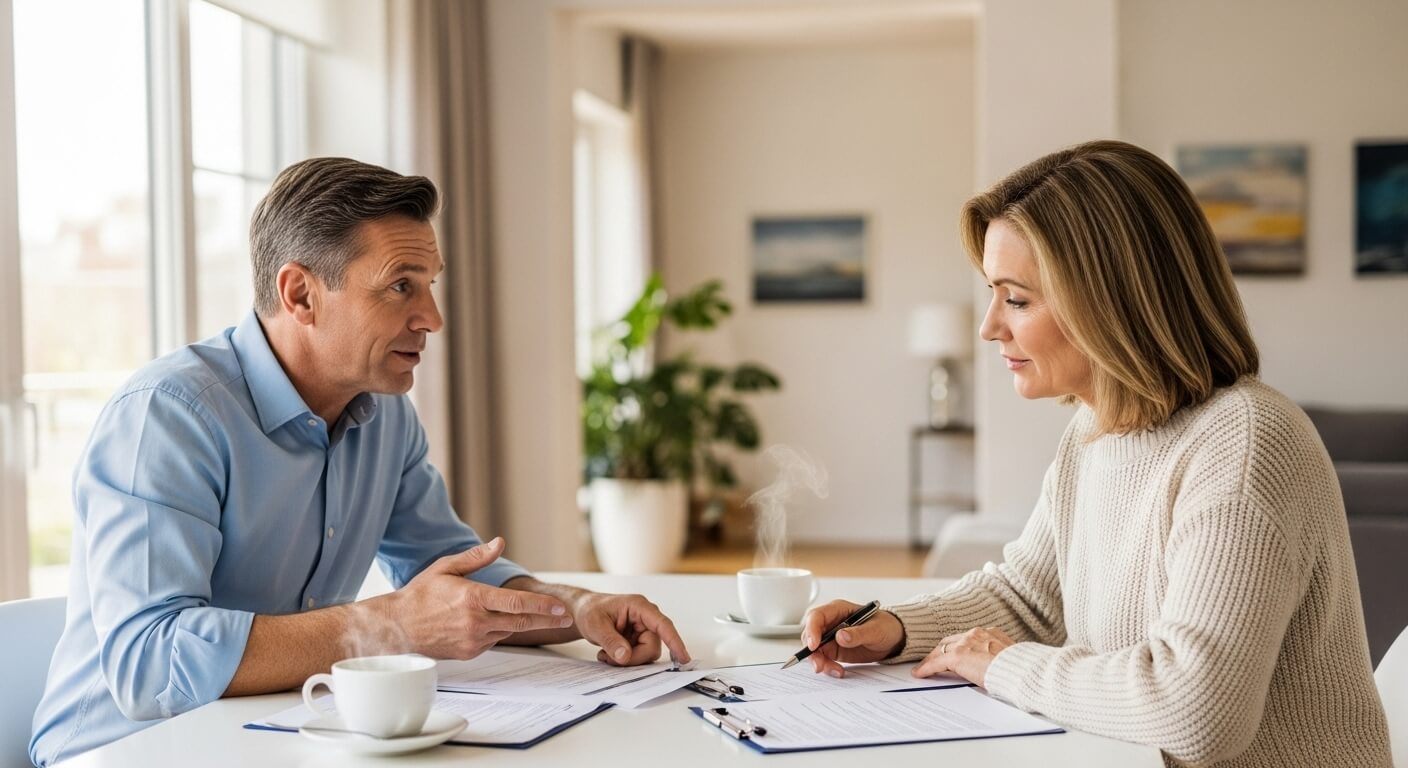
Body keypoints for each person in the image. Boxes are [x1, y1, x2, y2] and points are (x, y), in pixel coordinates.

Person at [30, 158, 690, 766]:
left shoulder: (383, 415)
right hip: (123, 751)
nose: (430, 317)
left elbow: (452, 576)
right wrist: (394, 625)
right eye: (400, 287)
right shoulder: (168, 417)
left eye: (429, 286)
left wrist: (577, 609)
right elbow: (149, 668)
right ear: (300, 294)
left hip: (272, 734)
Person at [801, 141, 1392, 767]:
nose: (989, 327)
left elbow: (1197, 711)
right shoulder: (1096, 431)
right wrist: (893, 627)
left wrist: (1002, 665)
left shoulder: (1246, 445)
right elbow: (1030, 598)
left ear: (1110, 301)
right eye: (993, 294)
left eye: (1018, 299)